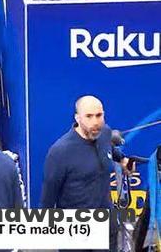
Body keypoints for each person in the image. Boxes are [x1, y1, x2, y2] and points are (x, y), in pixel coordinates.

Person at [41, 95, 132, 249]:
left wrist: (123, 160)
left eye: (99, 115)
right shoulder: (60, 152)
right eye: (89, 116)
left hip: (106, 228)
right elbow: (48, 198)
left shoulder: (104, 133)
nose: (95, 122)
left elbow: (109, 149)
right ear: (77, 118)